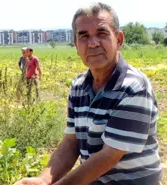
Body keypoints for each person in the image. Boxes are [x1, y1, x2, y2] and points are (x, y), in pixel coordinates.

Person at [14, 2, 162, 185]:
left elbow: (109, 157)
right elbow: (71, 142)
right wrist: (43, 180)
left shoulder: (134, 87)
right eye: (84, 36)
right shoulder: (78, 87)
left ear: (119, 40)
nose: (93, 43)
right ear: (76, 45)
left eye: (102, 34)